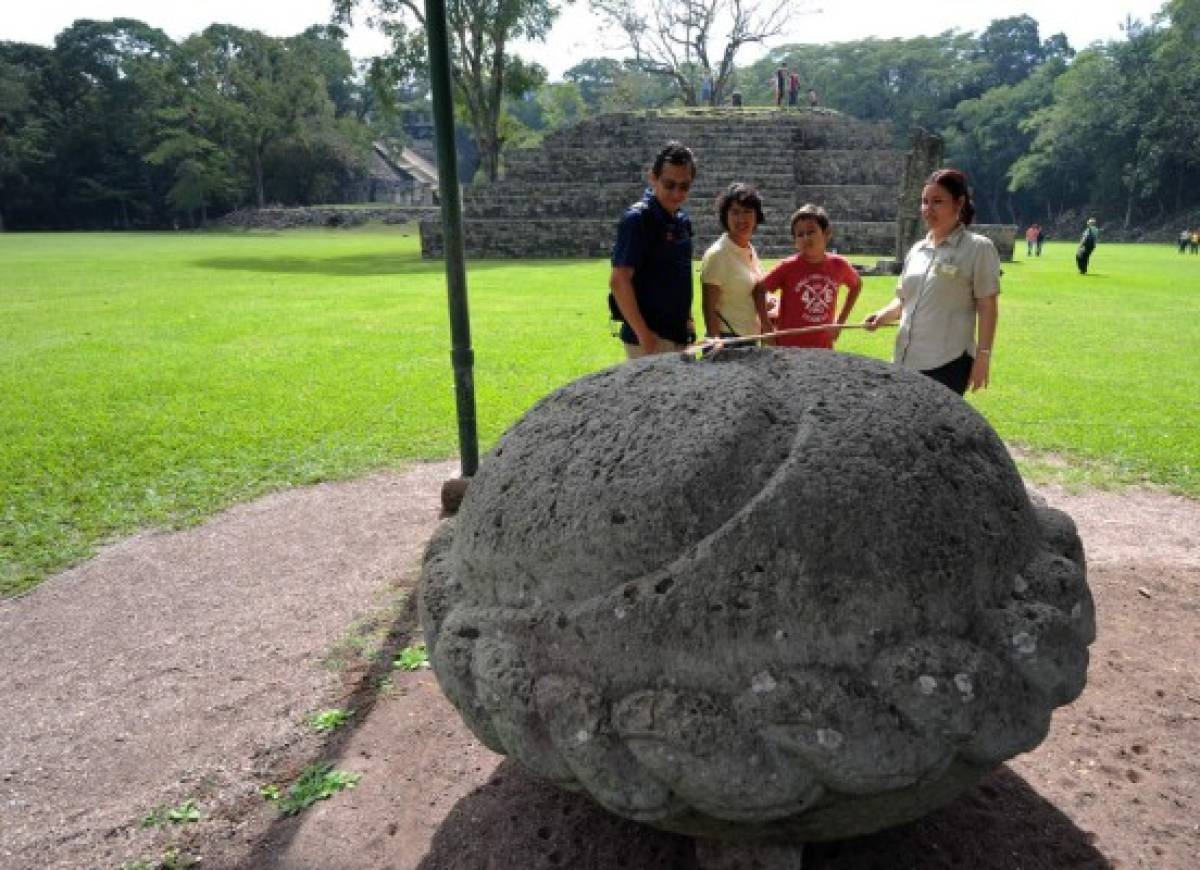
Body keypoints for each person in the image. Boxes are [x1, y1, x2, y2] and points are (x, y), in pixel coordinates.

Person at [863, 168, 999, 395]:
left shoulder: (978, 248)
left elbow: (988, 307)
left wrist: (983, 357)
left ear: (959, 203)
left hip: (947, 364)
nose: (928, 209)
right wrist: (881, 316)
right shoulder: (917, 250)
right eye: (924, 202)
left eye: (937, 201)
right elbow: (904, 300)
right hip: (904, 361)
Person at [608, 141, 696, 359]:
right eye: (669, 184)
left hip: (679, 336)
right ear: (653, 178)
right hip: (651, 339)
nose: (676, 193)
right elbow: (619, 281)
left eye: (684, 186)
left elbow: (678, 277)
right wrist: (644, 335)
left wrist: (688, 318)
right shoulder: (637, 220)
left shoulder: (681, 221)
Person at [758, 204, 862, 350]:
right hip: (788, 349)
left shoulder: (839, 265)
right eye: (800, 234)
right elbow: (759, 290)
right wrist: (767, 327)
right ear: (795, 242)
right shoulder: (787, 267)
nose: (806, 237)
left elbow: (856, 285)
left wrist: (840, 321)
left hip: (823, 349)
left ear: (826, 233)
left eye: (811, 232)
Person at [700, 183, 772, 342]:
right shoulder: (718, 254)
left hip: (750, 337)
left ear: (756, 216)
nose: (742, 218)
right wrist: (715, 342)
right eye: (735, 212)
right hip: (729, 341)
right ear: (725, 216)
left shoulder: (749, 249)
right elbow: (708, 308)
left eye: (747, 212)